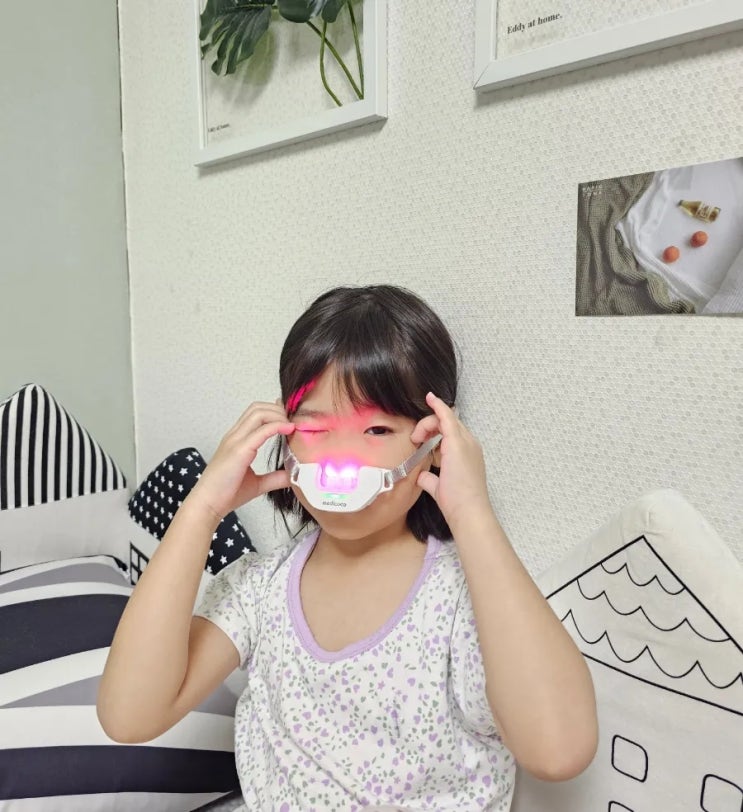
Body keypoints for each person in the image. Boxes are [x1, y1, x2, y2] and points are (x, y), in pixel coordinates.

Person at [98, 285, 598, 811]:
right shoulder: (259, 589)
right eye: (315, 427)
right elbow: (129, 716)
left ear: (434, 439)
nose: (341, 459)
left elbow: (559, 751)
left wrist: (473, 513)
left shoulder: (465, 601)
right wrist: (202, 509)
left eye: (377, 428)